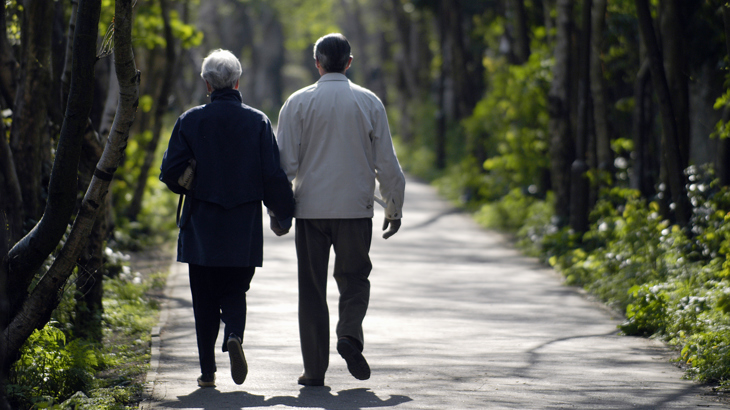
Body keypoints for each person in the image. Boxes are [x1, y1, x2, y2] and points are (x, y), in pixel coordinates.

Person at [276, 33, 406, 387]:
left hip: (310, 211)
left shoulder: (297, 103)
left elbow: (283, 165)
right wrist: (393, 207)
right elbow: (387, 163)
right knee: (354, 280)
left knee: (312, 289)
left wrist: (278, 210)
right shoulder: (369, 102)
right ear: (349, 63)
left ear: (316, 63)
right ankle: (349, 334)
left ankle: (314, 371)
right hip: (355, 209)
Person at [159, 49, 295, 388]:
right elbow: (272, 175)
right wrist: (283, 213)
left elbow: (170, 172)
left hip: (200, 223)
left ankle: (207, 372)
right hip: (243, 223)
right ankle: (234, 334)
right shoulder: (259, 121)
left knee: (203, 296)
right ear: (237, 82)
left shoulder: (189, 120)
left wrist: (193, 173)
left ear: (207, 84)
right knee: (236, 286)